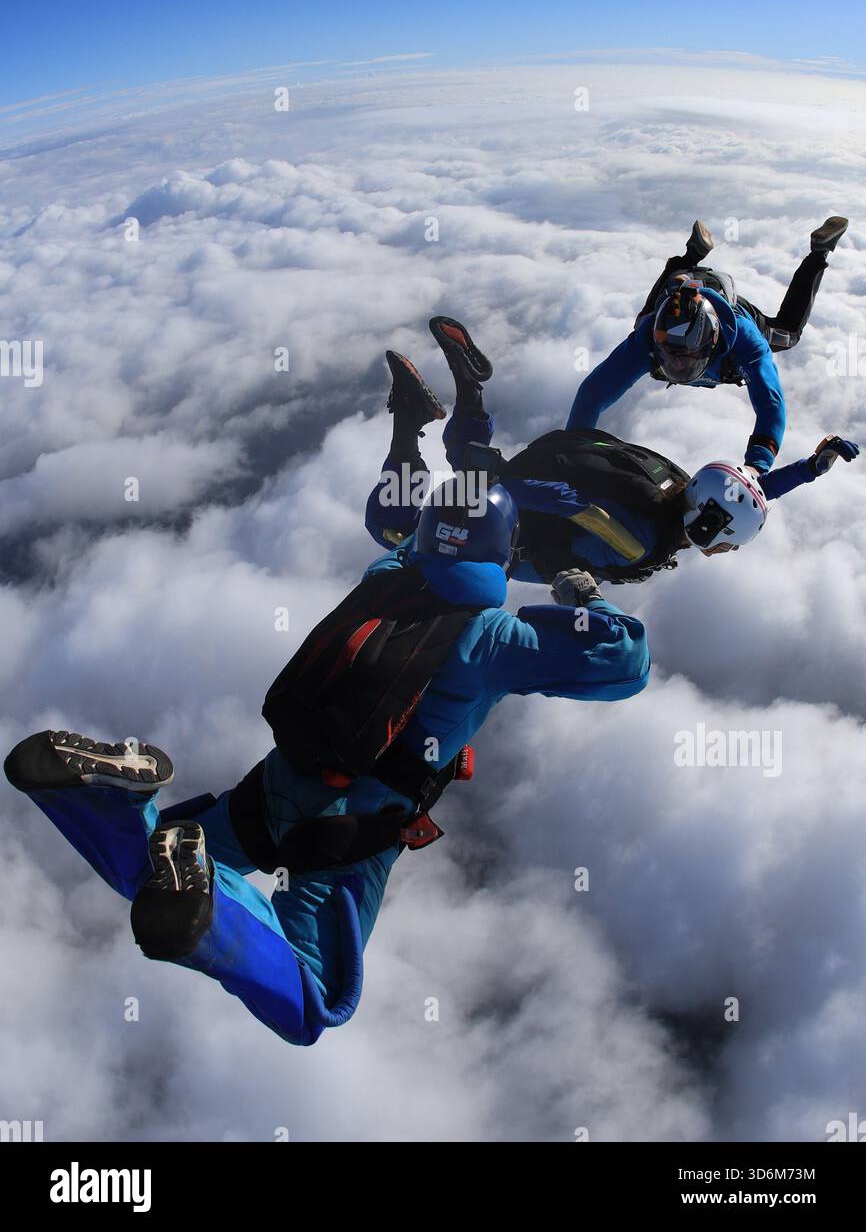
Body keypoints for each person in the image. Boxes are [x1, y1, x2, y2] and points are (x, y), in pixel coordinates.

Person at [5, 479, 649, 1047]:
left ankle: (104, 797)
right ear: (502, 552)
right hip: (346, 828)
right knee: (313, 1003)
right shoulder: (494, 639)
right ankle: (209, 912)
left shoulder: (385, 577)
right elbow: (625, 663)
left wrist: (460, 483)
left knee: (154, 870)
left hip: (274, 783)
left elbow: (403, 533)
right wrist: (579, 589)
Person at [365, 317, 859, 585]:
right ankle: (411, 418)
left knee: (463, 454)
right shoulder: (638, 541)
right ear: (708, 530)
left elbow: (748, 488)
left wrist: (811, 469)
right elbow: (571, 505)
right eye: (732, 542)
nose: (729, 550)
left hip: (545, 463)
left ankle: (462, 393)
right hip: (506, 533)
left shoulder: (684, 489)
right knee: (392, 529)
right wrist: (502, 500)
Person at [566, 216, 849, 477]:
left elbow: (770, 405)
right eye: (669, 355)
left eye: (686, 357)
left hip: (731, 311)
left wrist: (756, 467)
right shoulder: (648, 339)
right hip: (674, 305)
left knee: (788, 335)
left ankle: (819, 252)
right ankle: (689, 258)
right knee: (644, 320)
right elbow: (593, 392)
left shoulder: (746, 341)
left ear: (711, 343)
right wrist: (572, 448)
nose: (677, 365)